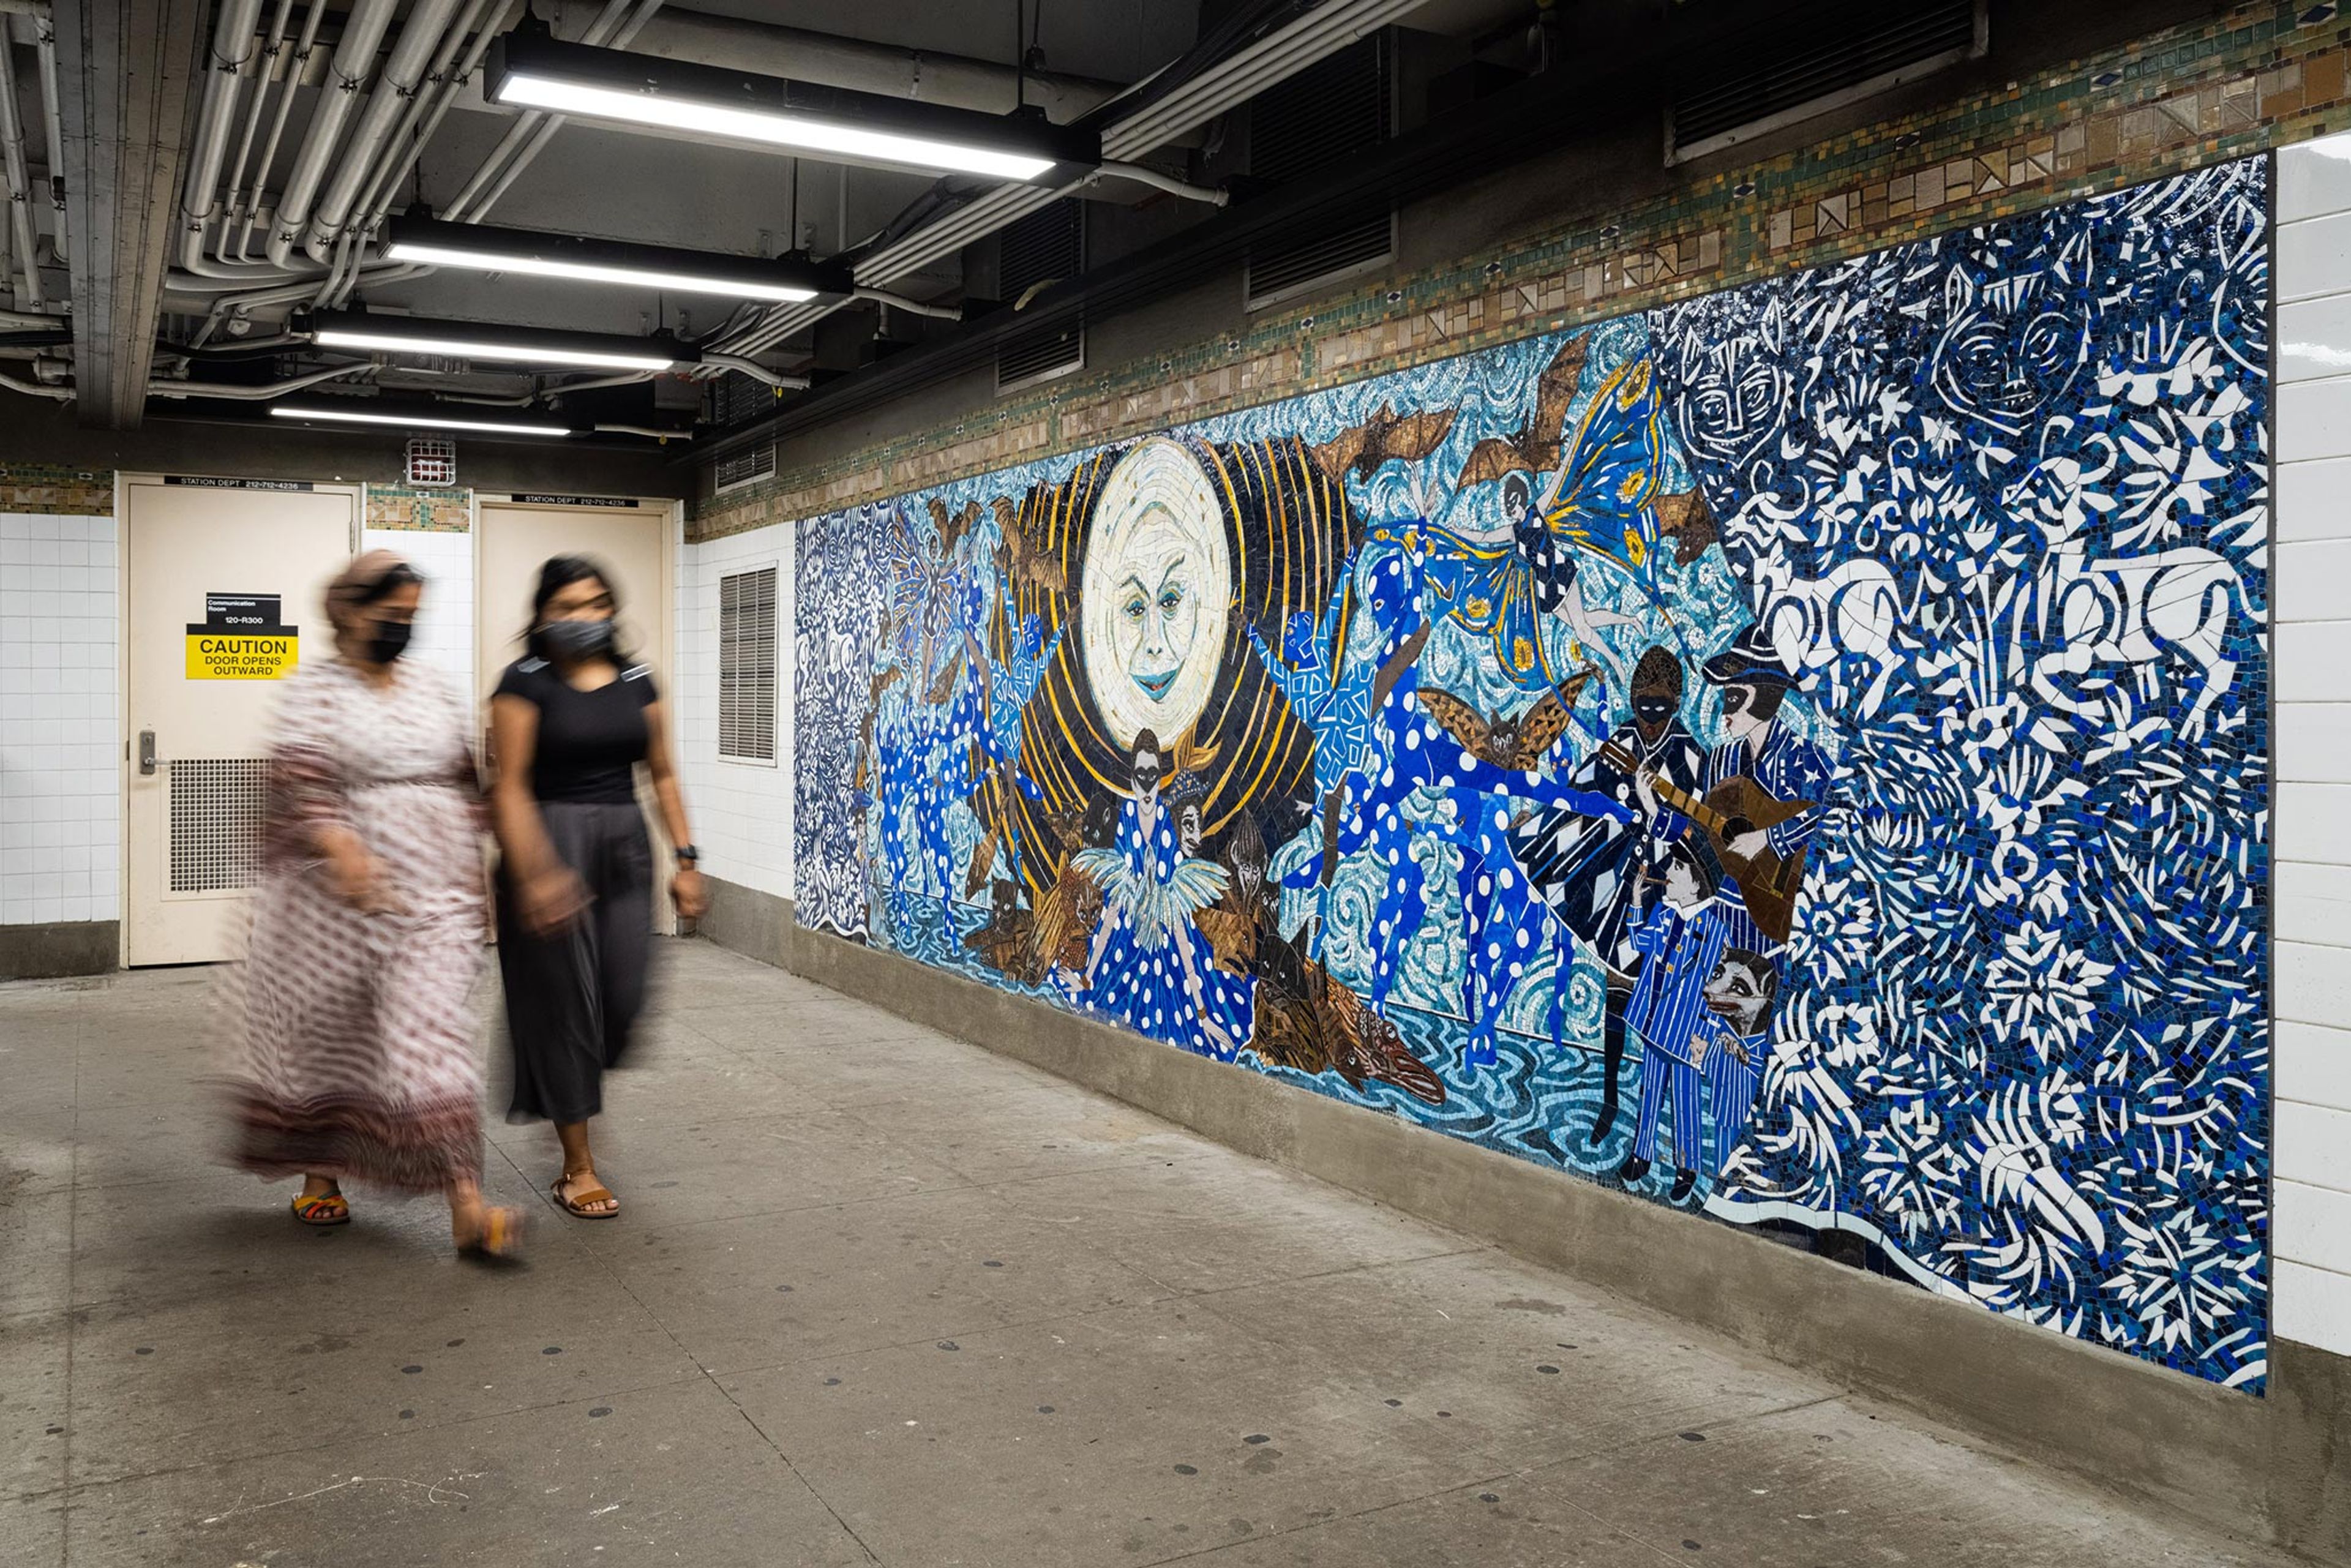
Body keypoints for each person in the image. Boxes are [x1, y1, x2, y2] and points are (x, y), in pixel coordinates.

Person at [217, 549, 521, 1260]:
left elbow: (467, 784)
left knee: (431, 1036)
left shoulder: (432, 688)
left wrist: (486, 878)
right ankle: (321, 1174)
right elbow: (302, 778)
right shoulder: (312, 690)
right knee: (335, 1042)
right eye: (392, 614)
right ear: (349, 613)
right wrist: (346, 852)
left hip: (433, 898)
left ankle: (468, 1204)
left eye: (413, 616)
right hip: (329, 909)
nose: (402, 627)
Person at [489, 556, 707, 1219]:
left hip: (623, 847)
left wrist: (687, 857)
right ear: (544, 614)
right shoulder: (524, 683)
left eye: (595, 605)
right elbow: (509, 785)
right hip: (547, 841)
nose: (584, 619)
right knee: (563, 1008)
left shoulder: (639, 682)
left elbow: (663, 773)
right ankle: (577, 1164)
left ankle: (573, 1091)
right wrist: (535, 871)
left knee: (622, 996)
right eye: (568, 607)